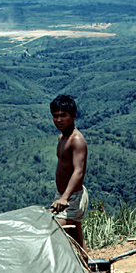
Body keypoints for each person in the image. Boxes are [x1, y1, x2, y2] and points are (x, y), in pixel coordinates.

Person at [49, 95, 88, 251]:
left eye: (63, 115)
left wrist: (65, 197)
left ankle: (71, 269)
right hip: (63, 195)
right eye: (55, 116)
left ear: (73, 115)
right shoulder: (62, 137)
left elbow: (79, 171)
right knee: (76, 236)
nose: (58, 120)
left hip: (72, 196)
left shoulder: (76, 140)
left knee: (57, 231)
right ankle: (88, 267)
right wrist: (61, 196)